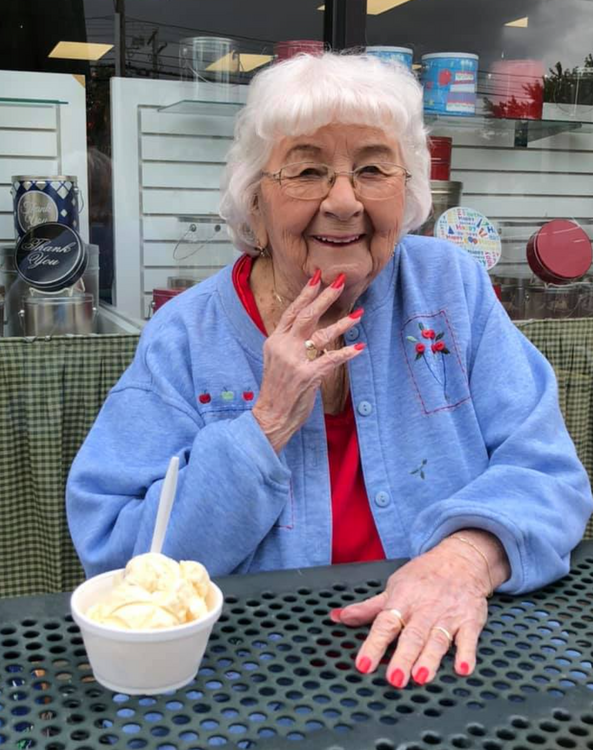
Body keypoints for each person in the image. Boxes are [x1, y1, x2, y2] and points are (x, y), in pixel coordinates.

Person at [66, 52, 592, 689]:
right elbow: (119, 557)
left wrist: (463, 561)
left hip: (454, 651)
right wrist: (263, 425)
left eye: (372, 168)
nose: (343, 202)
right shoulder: (187, 334)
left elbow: (546, 470)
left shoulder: (451, 287)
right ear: (255, 200)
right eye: (308, 169)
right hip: (253, 679)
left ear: (409, 189)